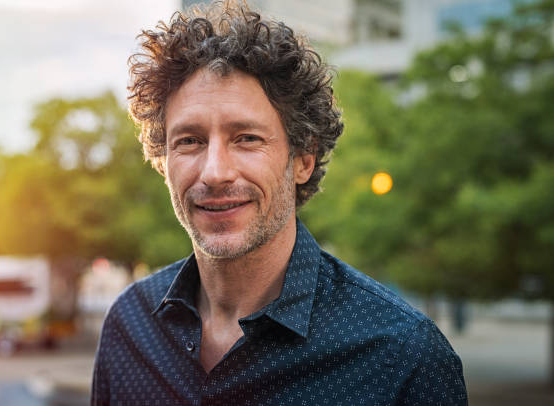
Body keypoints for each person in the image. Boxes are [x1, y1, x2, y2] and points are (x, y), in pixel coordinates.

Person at [91, 1, 468, 404]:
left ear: (303, 159)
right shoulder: (129, 324)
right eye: (190, 141)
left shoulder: (402, 356)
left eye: (247, 138)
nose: (215, 172)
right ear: (163, 162)